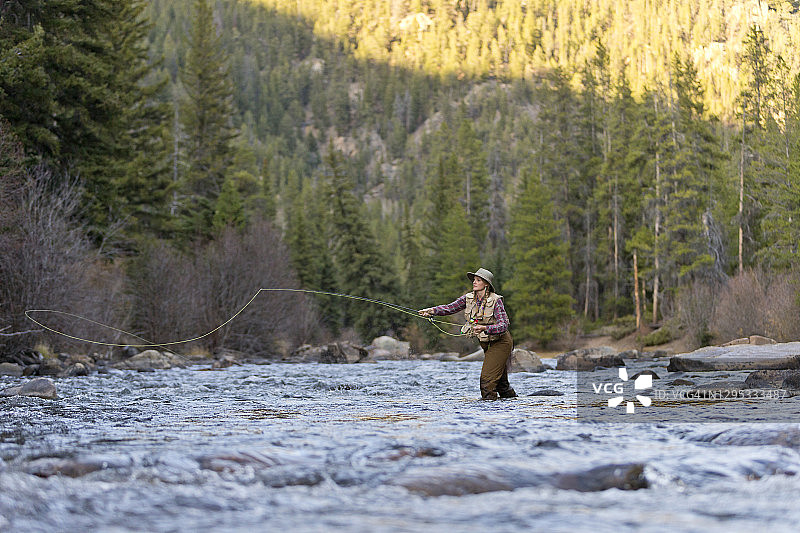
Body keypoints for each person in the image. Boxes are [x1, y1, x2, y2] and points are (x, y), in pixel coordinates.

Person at [419, 268, 517, 400]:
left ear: (486, 284)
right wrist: (432, 311)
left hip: (501, 343)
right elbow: (450, 308)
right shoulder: (468, 298)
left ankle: (490, 413)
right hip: (486, 344)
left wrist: (484, 328)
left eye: (478, 280)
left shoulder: (495, 300)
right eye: (474, 280)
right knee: (501, 384)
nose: (474, 283)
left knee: (487, 382)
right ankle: (515, 405)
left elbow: (504, 325)